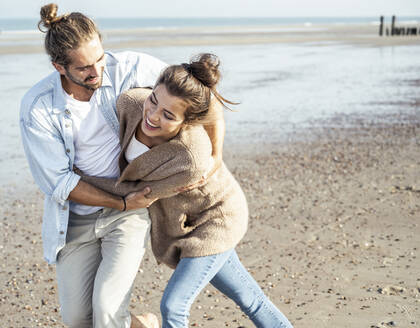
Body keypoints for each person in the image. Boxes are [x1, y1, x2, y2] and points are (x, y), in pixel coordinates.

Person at [19, 4, 224, 328]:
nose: (97, 71)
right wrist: (122, 200)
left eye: (100, 59)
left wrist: (216, 156)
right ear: (59, 66)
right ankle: (141, 324)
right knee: (77, 320)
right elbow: (59, 183)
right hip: (74, 222)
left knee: (106, 309)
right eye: (85, 68)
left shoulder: (129, 66)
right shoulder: (38, 107)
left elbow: (201, 95)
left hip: (127, 215)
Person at [78, 53, 294, 328]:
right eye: (153, 100)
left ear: (188, 121)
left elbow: (136, 192)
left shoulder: (190, 158)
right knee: (250, 299)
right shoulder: (131, 103)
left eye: (168, 115)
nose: (153, 115)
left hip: (217, 220)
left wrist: (76, 181)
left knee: (174, 305)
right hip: (188, 220)